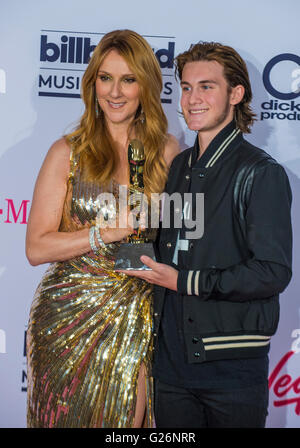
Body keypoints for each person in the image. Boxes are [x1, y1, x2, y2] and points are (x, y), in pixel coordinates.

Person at [124, 42, 293, 428]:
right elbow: (171, 244)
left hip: (230, 370)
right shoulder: (178, 164)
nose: (192, 99)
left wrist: (184, 281)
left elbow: (272, 272)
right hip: (169, 365)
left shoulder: (261, 172)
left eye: (207, 86)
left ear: (236, 94)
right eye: (186, 87)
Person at [25, 29, 180, 428]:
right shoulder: (67, 152)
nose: (116, 91)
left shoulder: (166, 152)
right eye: (105, 78)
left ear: (145, 86)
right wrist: (103, 232)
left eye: (128, 79)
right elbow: (37, 248)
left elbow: (179, 238)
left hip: (140, 313)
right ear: (92, 84)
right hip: (66, 318)